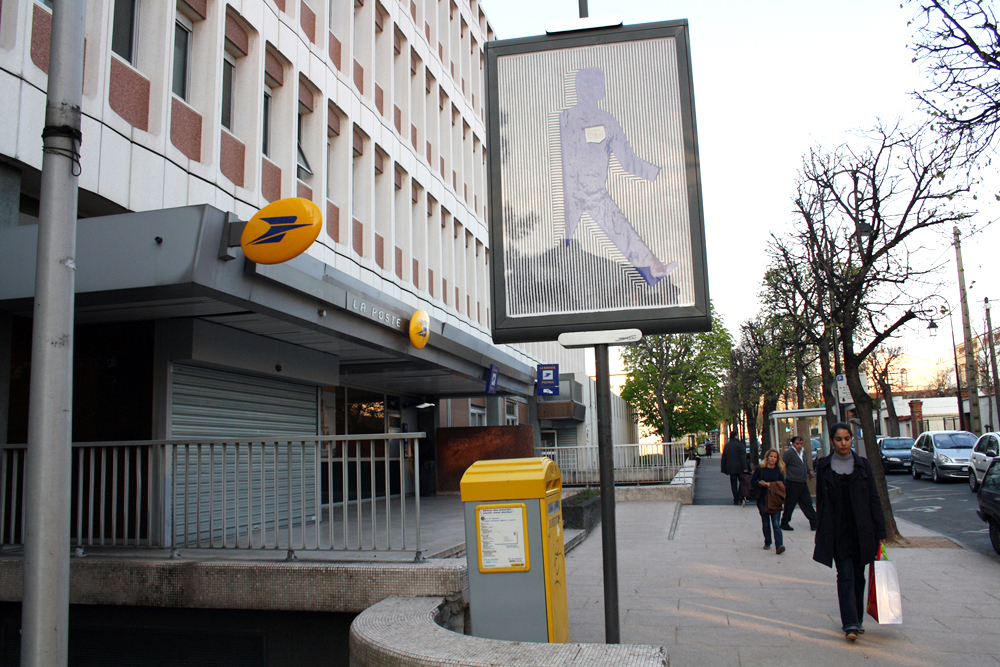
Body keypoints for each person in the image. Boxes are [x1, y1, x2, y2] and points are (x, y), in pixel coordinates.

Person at [813, 422, 887, 642]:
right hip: (837, 530)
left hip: (862, 530)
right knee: (844, 575)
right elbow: (822, 502)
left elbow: (874, 498)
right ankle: (850, 624)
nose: (843, 443)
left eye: (847, 439)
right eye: (839, 439)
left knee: (858, 576)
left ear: (851, 439)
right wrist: (820, 530)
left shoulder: (863, 465)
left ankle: (858, 619)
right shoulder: (824, 466)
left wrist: (880, 530)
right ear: (832, 441)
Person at [751, 449, 786, 554]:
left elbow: (783, 484)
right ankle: (767, 541)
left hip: (775, 499)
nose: (773, 459)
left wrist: (771, 485)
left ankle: (779, 545)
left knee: (776, 523)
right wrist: (759, 483)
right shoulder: (761, 469)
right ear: (767, 457)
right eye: (771, 456)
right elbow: (753, 480)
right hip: (763, 499)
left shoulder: (779, 470)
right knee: (766, 523)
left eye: (775, 457)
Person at [781, 436, 818, 532]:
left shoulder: (803, 453)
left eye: (801, 444)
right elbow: (782, 464)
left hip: (802, 481)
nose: (800, 446)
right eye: (797, 444)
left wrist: (809, 471)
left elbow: (805, 464)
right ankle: (784, 522)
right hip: (793, 482)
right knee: (790, 503)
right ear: (793, 444)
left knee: (807, 502)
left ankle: (814, 522)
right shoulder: (789, 453)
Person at [720, 430, 749, 505]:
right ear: (736, 436)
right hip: (740, 467)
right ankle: (739, 495)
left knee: (733, 483)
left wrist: (723, 468)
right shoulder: (740, 445)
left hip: (731, 467)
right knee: (742, 482)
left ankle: (735, 498)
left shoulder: (727, 446)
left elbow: (724, 458)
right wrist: (745, 467)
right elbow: (743, 457)